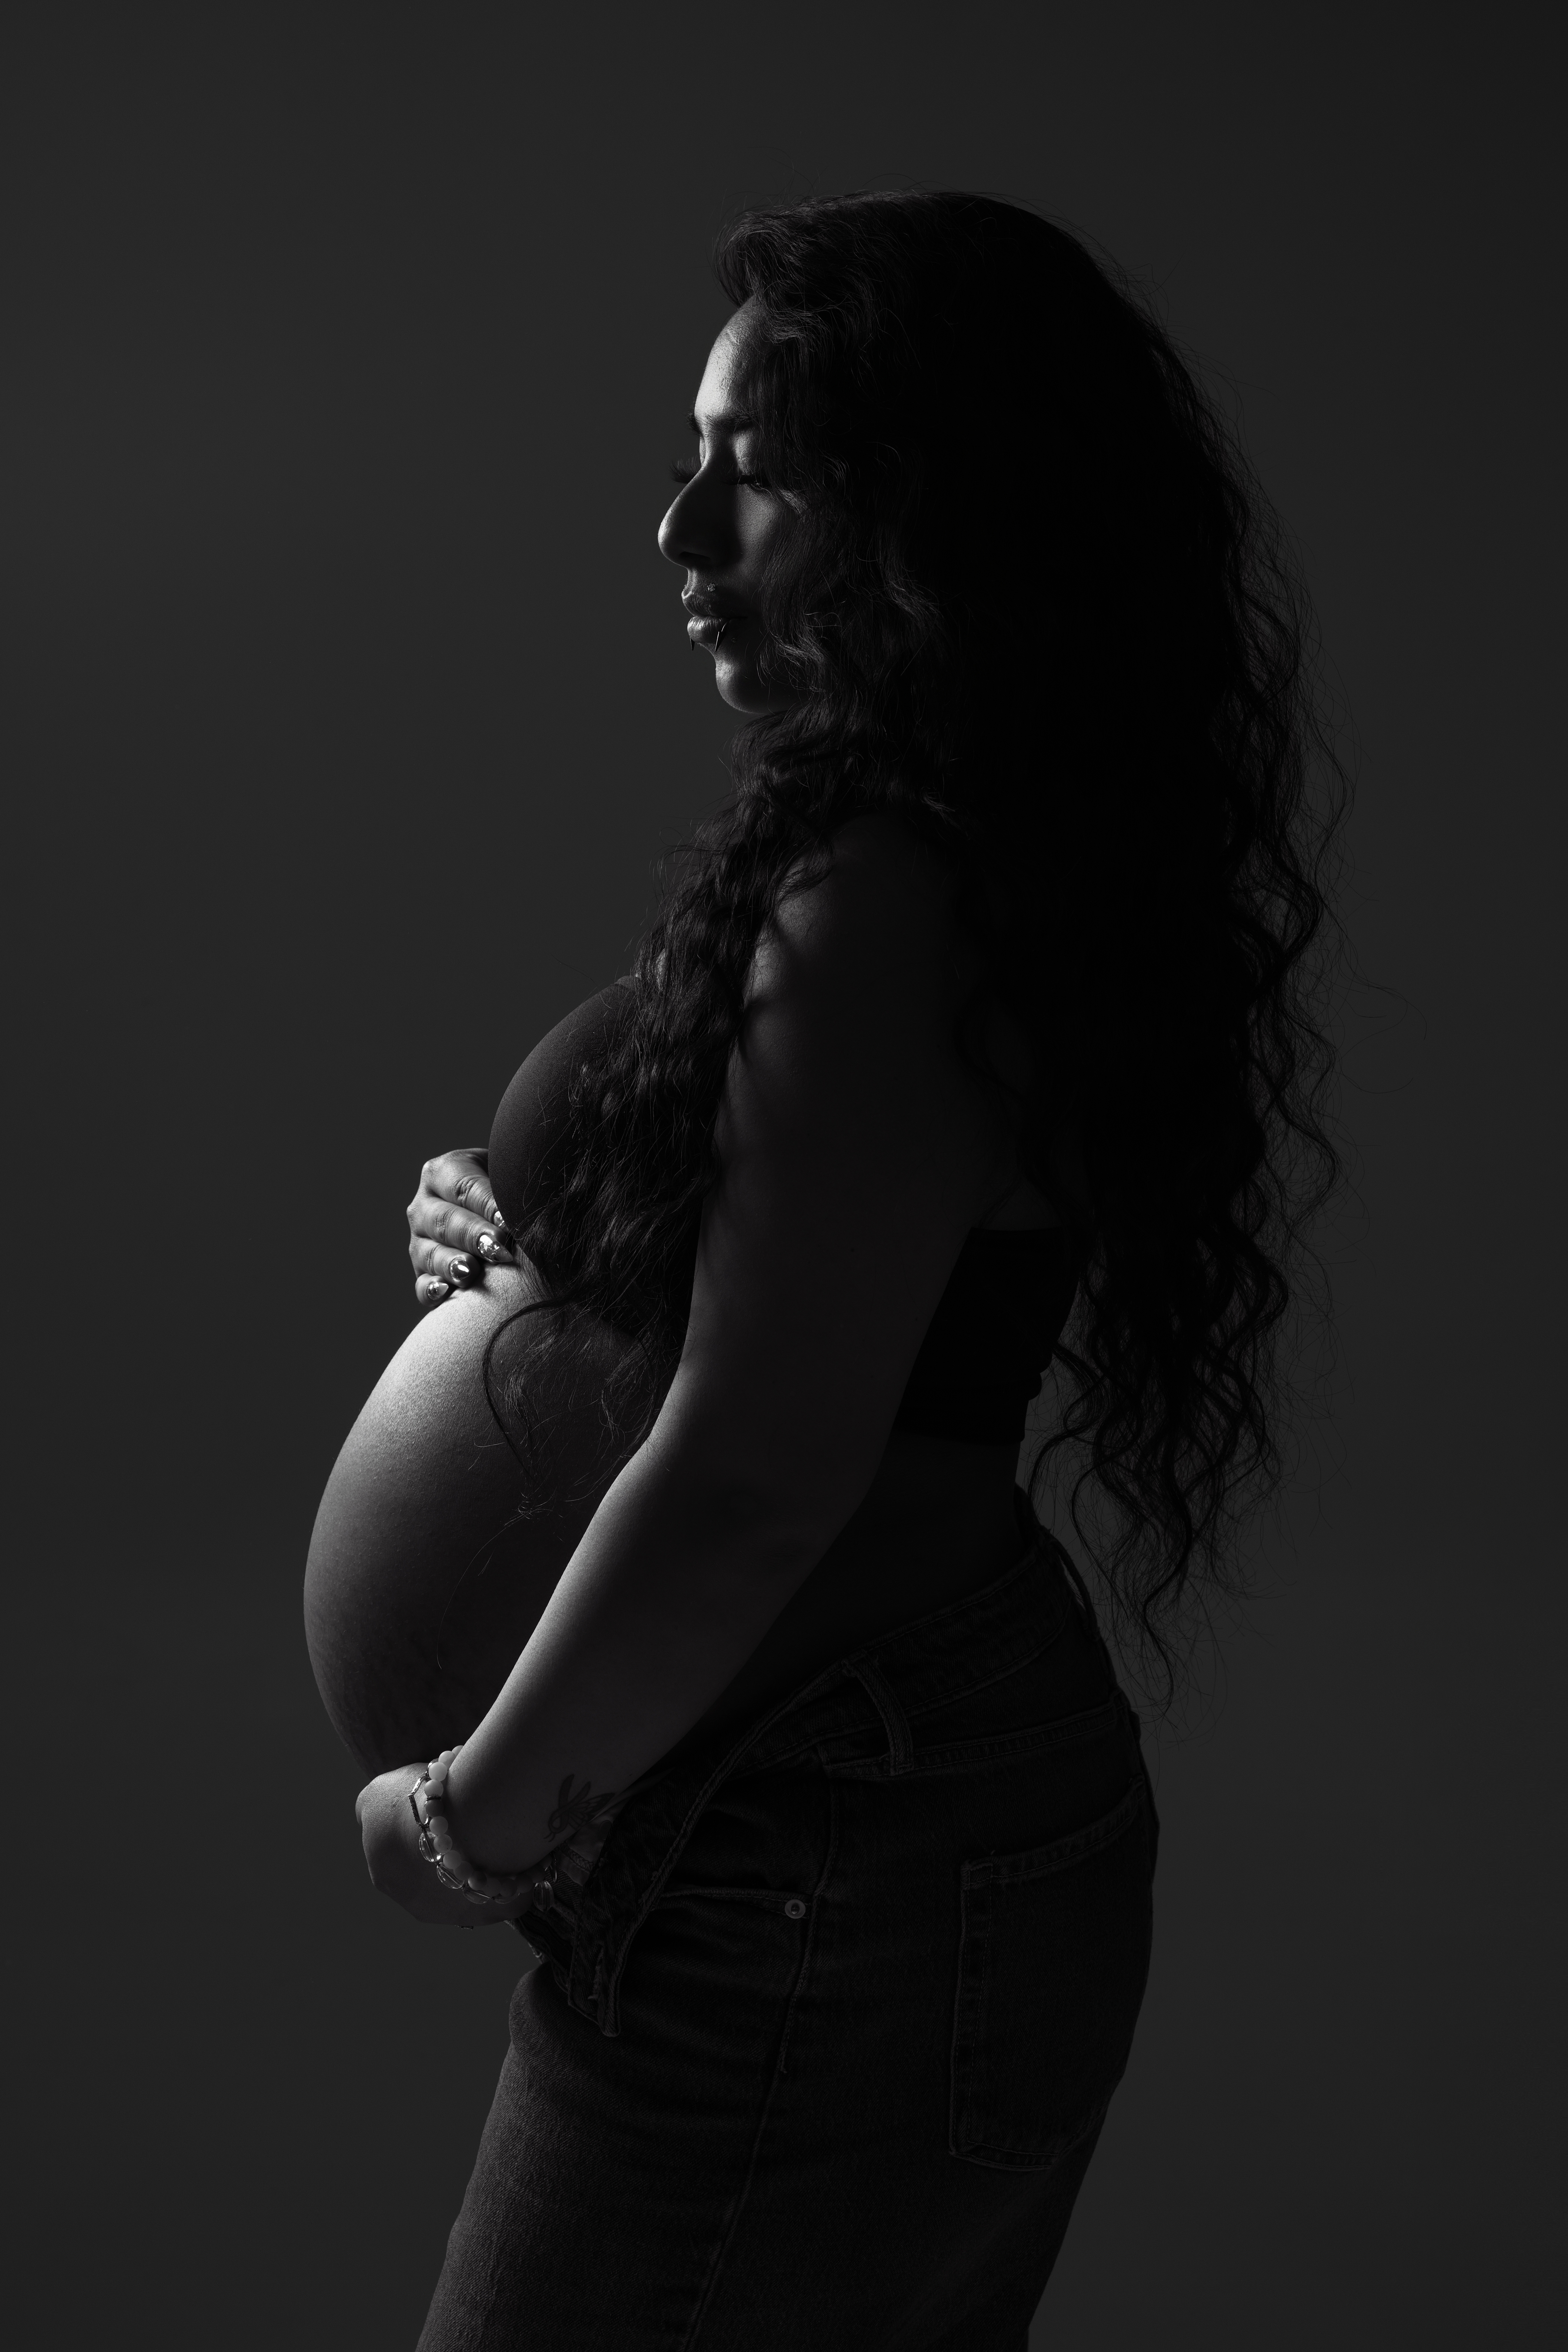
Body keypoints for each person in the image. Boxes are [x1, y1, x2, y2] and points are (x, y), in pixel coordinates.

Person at [304, 190, 1341, 2349]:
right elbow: (814, 1275)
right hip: (834, 1827)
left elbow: (764, 1464)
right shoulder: (942, 867)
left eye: (752, 475)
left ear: (934, 519)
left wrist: (471, 1821)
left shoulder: (894, 900)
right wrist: (541, 1250)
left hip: (827, 1854)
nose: (679, 531)